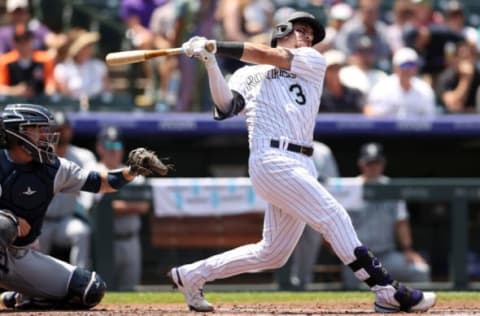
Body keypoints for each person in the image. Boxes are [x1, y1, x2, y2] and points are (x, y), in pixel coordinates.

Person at [167, 11, 436, 313]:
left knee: (272, 253)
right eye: (302, 31)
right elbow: (226, 105)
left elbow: (266, 53)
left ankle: (192, 275)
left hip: (301, 161)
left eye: (311, 34)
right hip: (271, 158)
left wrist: (215, 44)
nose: (308, 37)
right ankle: (385, 290)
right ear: (282, 29)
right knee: (333, 216)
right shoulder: (246, 74)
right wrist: (210, 61)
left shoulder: (311, 61)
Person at [0, 103, 170, 309]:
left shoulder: (54, 168)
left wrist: (131, 171)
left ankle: (19, 296)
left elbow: (99, 182)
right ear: (17, 134)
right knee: (4, 224)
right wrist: (13, 219)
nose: (44, 135)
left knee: (89, 289)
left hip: (21, 254)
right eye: (36, 129)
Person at [342, 142, 431, 290]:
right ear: (361, 164)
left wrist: (408, 250)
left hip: (387, 255)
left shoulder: (391, 188)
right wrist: (340, 253)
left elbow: (401, 222)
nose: (373, 167)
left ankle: (422, 308)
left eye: (376, 163)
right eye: (369, 163)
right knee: (352, 284)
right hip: (358, 258)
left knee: (420, 271)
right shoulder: (350, 188)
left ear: (383, 164)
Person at [95, 126, 151, 291]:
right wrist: (129, 206)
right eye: (108, 146)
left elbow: (144, 206)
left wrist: (116, 206)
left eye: (117, 146)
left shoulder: (131, 173)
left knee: (129, 289)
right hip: (103, 242)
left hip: (131, 240)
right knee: (102, 290)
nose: (113, 151)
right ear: (100, 147)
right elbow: (98, 208)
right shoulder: (93, 172)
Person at [38, 112, 97, 269]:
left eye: (64, 128)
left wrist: (85, 204)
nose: (60, 133)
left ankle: (82, 281)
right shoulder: (38, 156)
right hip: (41, 221)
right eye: (56, 129)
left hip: (66, 220)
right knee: (34, 252)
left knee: (81, 232)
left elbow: (93, 181)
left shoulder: (82, 156)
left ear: (70, 130)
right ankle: (35, 289)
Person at [279, 141, 340, 291]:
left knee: (310, 242)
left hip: (314, 205)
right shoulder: (283, 145)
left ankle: (302, 283)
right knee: (279, 245)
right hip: (290, 202)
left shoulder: (322, 150)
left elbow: (332, 180)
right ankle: (283, 282)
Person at [364, 47, 437, 118]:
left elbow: (431, 118)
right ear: (395, 67)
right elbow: (370, 113)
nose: (407, 69)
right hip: (387, 130)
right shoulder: (382, 88)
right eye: (404, 65)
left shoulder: (424, 89)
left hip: (416, 130)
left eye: (411, 65)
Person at [0, 25, 56, 98]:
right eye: (18, 40)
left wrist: (48, 92)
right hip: (13, 104)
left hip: (39, 104)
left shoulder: (45, 60)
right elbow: (1, 88)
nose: (23, 44)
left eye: (26, 39)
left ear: (32, 40)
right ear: (13, 42)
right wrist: (15, 91)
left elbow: (50, 86)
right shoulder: (5, 61)